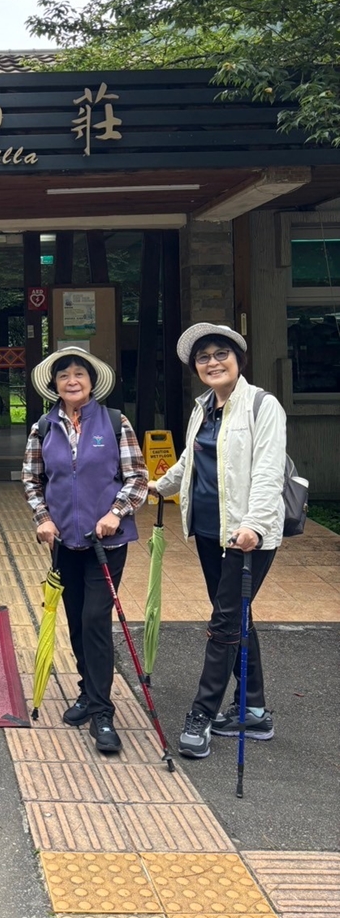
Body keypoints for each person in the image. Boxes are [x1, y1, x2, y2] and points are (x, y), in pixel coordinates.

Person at [151, 322, 285, 759]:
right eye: (203, 357)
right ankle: (254, 710)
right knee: (237, 618)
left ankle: (202, 714)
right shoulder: (204, 407)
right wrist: (159, 487)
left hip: (246, 537)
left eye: (220, 354)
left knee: (225, 623)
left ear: (238, 358)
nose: (212, 363)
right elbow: (190, 460)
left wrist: (255, 526)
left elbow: (268, 472)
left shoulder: (262, 405)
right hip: (210, 531)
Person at [22, 346, 147, 754]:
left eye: (79, 373)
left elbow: (137, 477)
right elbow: (32, 478)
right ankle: (87, 690)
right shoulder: (44, 426)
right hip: (63, 542)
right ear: (54, 384)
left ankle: (102, 712)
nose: (72, 380)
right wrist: (43, 518)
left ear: (92, 382)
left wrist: (115, 513)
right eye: (64, 375)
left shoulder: (114, 421)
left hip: (105, 542)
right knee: (76, 620)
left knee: (95, 619)